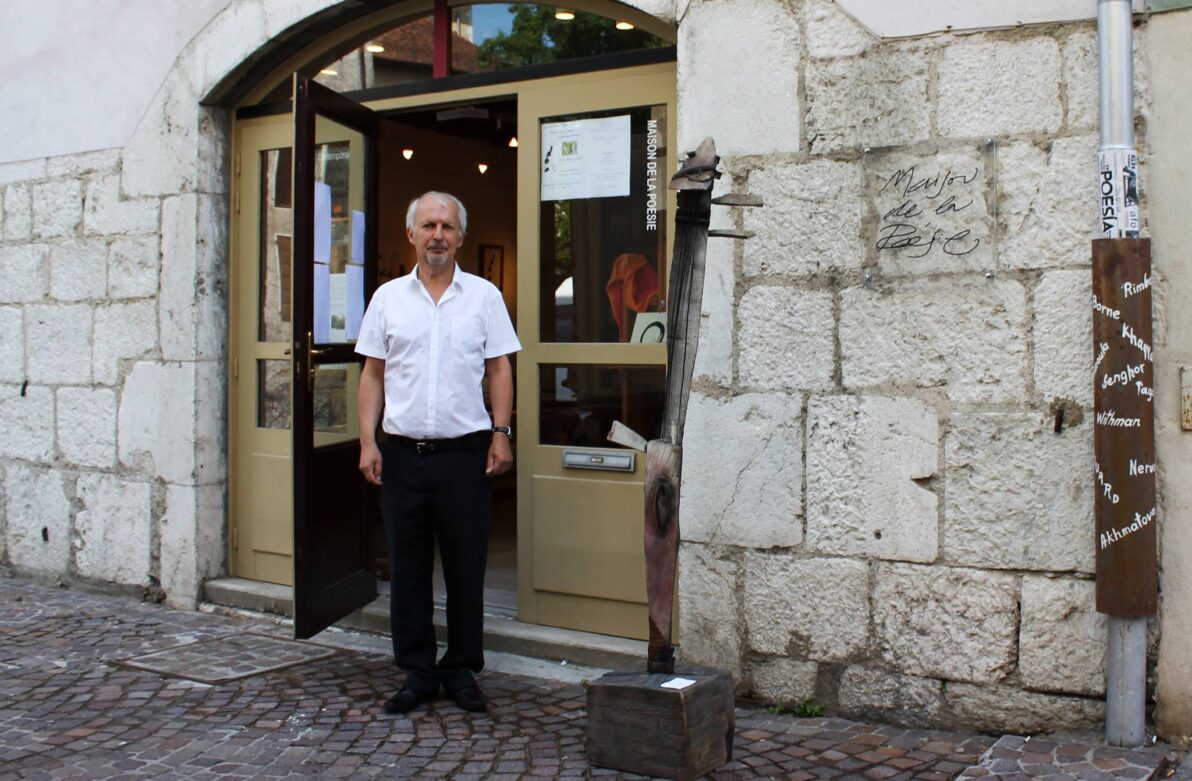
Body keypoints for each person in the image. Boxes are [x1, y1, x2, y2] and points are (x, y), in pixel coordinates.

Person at [355, 191, 520, 714]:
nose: (438, 235)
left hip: (464, 454)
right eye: (428, 225)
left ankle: (461, 669)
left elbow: (499, 368)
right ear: (412, 234)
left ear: (460, 236)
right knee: (407, 568)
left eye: (447, 226)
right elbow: (372, 374)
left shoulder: (484, 297)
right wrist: (366, 440)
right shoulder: (387, 299)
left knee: (465, 566)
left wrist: (502, 432)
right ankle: (417, 672)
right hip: (402, 454)